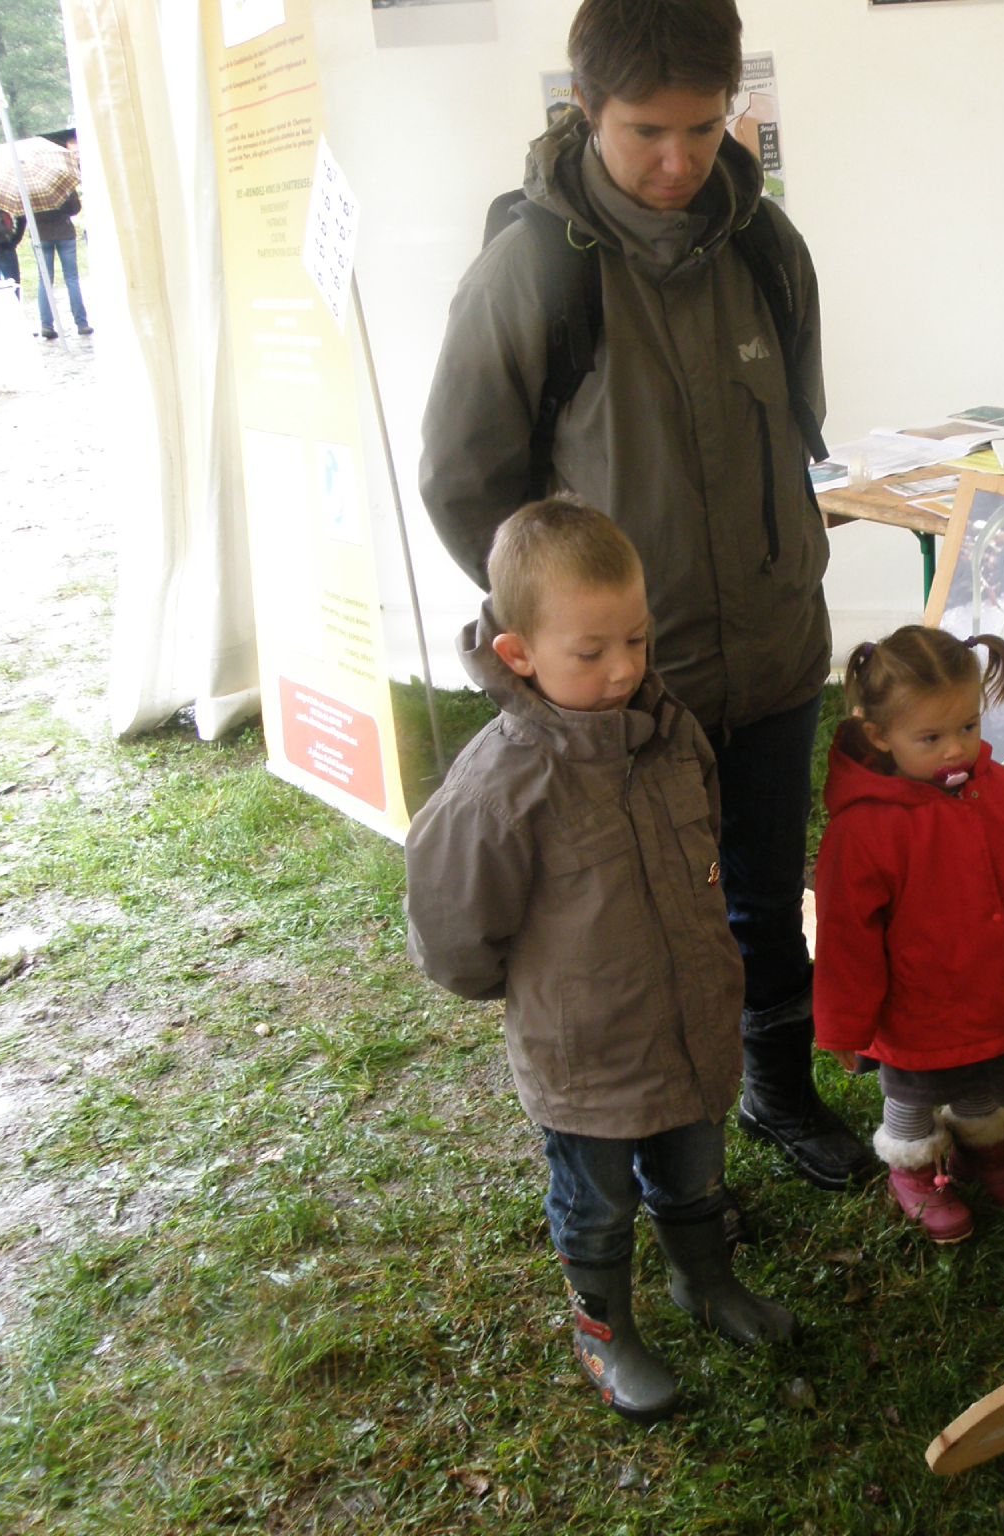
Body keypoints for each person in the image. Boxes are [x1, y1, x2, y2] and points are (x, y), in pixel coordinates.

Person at [418, 0, 867, 1195]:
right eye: (645, 133)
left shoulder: (768, 247)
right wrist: (563, 639)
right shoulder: (532, 271)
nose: (678, 162)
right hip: (621, 691)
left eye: (704, 129)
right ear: (584, 109)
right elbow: (465, 481)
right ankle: (668, 1155)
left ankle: (777, 1091)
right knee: (641, 922)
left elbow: (797, 426)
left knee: (762, 893)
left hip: (770, 651)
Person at [405, 498, 795, 1424]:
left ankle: (704, 1280)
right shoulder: (501, 785)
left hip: (690, 1025)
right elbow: (453, 928)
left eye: (638, 639)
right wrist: (536, 992)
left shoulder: (670, 733)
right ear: (519, 654)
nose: (624, 668)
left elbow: (704, 835)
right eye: (591, 652)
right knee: (599, 1202)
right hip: (587, 1055)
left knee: (694, 1168)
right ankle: (604, 1326)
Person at [812, 627, 1004, 1243]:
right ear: (878, 736)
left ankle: (984, 1153)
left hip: (992, 988)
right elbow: (845, 941)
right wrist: (843, 1024)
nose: (956, 749)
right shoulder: (863, 832)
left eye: (968, 726)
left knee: (989, 1082)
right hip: (917, 1006)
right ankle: (913, 1172)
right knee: (914, 1096)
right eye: (931, 738)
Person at [31, 184, 90, 338]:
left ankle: (46, 325)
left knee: (45, 280)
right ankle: (82, 323)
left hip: (41, 235)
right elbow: (75, 208)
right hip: (64, 232)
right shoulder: (61, 181)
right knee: (72, 279)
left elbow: (23, 214)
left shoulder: (29, 186)